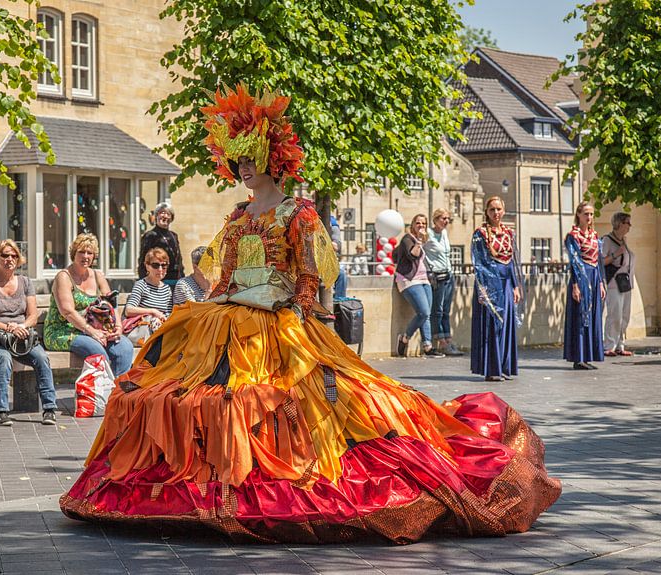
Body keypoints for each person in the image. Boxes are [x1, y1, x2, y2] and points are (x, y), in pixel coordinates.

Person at [59, 83, 559, 543]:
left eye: (251, 157)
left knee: (280, 402)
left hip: (277, 321)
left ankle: (254, 481)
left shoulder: (299, 214)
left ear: (271, 157)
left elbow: (311, 280)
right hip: (223, 317)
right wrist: (205, 307)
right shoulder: (236, 217)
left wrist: (301, 317)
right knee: (162, 389)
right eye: (237, 161)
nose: (244, 169)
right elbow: (224, 276)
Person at [0, 240, 57, 426]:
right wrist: (9, 328)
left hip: (22, 336)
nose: (9, 259)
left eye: (14, 256)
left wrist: (22, 327)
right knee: (3, 359)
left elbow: (32, 315)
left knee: (42, 358)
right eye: (5, 255)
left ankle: (49, 409)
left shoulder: (25, 282)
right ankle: (0, 411)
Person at [44, 233, 134, 376]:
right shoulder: (64, 276)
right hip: (62, 331)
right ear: (73, 253)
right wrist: (92, 332)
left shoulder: (98, 275)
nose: (85, 256)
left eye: (90, 253)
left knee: (124, 347)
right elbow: (67, 312)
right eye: (81, 252)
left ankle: (117, 393)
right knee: (97, 350)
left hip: (94, 330)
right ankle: (96, 393)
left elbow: (111, 304)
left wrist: (118, 327)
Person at [470, 196, 523, 382]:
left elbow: (512, 263)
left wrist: (515, 286)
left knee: (506, 324)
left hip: (506, 284)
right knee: (492, 325)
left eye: (499, 209)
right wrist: (482, 289)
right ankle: (492, 368)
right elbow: (479, 264)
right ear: (487, 212)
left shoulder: (509, 233)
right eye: (492, 209)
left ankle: (504, 366)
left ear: (504, 210)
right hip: (490, 286)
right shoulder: (480, 234)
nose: (496, 213)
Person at [393, 214, 444, 358]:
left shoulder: (418, 240)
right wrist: (420, 240)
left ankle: (427, 346)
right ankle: (405, 338)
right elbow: (413, 255)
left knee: (426, 314)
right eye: (418, 223)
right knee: (424, 312)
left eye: (423, 223)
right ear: (412, 224)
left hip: (424, 279)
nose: (421, 226)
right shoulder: (407, 239)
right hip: (409, 279)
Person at [563, 202, 606, 370]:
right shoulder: (573, 236)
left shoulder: (595, 235)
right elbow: (574, 262)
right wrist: (575, 284)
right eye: (586, 214)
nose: (589, 217)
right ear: (578, 215)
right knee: (581, 316)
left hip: (594, 277)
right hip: (581, 277)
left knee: (592, 316)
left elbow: (599, 261)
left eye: (591, 214)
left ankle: (588, 355)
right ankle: (578, 357)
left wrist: (601, 282)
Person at [424, 209, 463, 357]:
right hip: (437, 275)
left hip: (449, 274)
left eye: (447, 219)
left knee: (446, 309)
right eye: (443, 218)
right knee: (437, 309)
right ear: (435, 220)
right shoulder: (428, 234)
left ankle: (448, 339)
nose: (446, 221)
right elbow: (420, 251)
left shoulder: (445, 233)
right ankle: (440, 340)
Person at [601, 212, 635, 357]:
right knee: (614, 314)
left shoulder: (624, 240)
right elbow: (601, 261)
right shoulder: (607, 240)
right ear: (619, 224)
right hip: (614, 283)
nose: (630, 225)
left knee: (624, 315)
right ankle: (609, 345)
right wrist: (616, 254)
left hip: (625, 283)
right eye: (628, 222)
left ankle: (620, 344)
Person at [138, 202, 184, 287]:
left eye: (168, 214)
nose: (165, 216)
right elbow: (143, 261)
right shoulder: (150, 235)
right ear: (156, 216)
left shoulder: (174, 235)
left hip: (176, 281)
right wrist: (144, 283)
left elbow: (179, 259)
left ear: (171, 218)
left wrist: (182, 278)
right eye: (162, 213)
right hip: (158, 281)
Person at [125, 248, 174, 323]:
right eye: (155, 265)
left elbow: (168, 314)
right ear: (147, 266)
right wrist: (152, 312)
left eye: (164, 265)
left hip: (162, 328)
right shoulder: (141, 285)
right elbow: (129, 310)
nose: (160, 269)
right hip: (144, 327)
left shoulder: (167, 289)